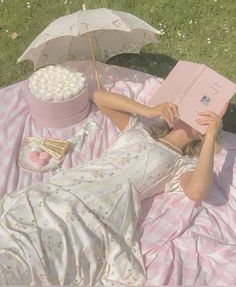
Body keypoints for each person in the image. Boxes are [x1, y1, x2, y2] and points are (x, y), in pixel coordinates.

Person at [0, 90, 223, 286]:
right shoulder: (138, 131)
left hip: (104, 204)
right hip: (73, 183)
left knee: (43, 250)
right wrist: (148, 110)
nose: (198, 116)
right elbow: (99, 98)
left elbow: (197, 192)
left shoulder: (181, 164)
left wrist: (211, 136)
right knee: (22, 226)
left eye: (206, 118)